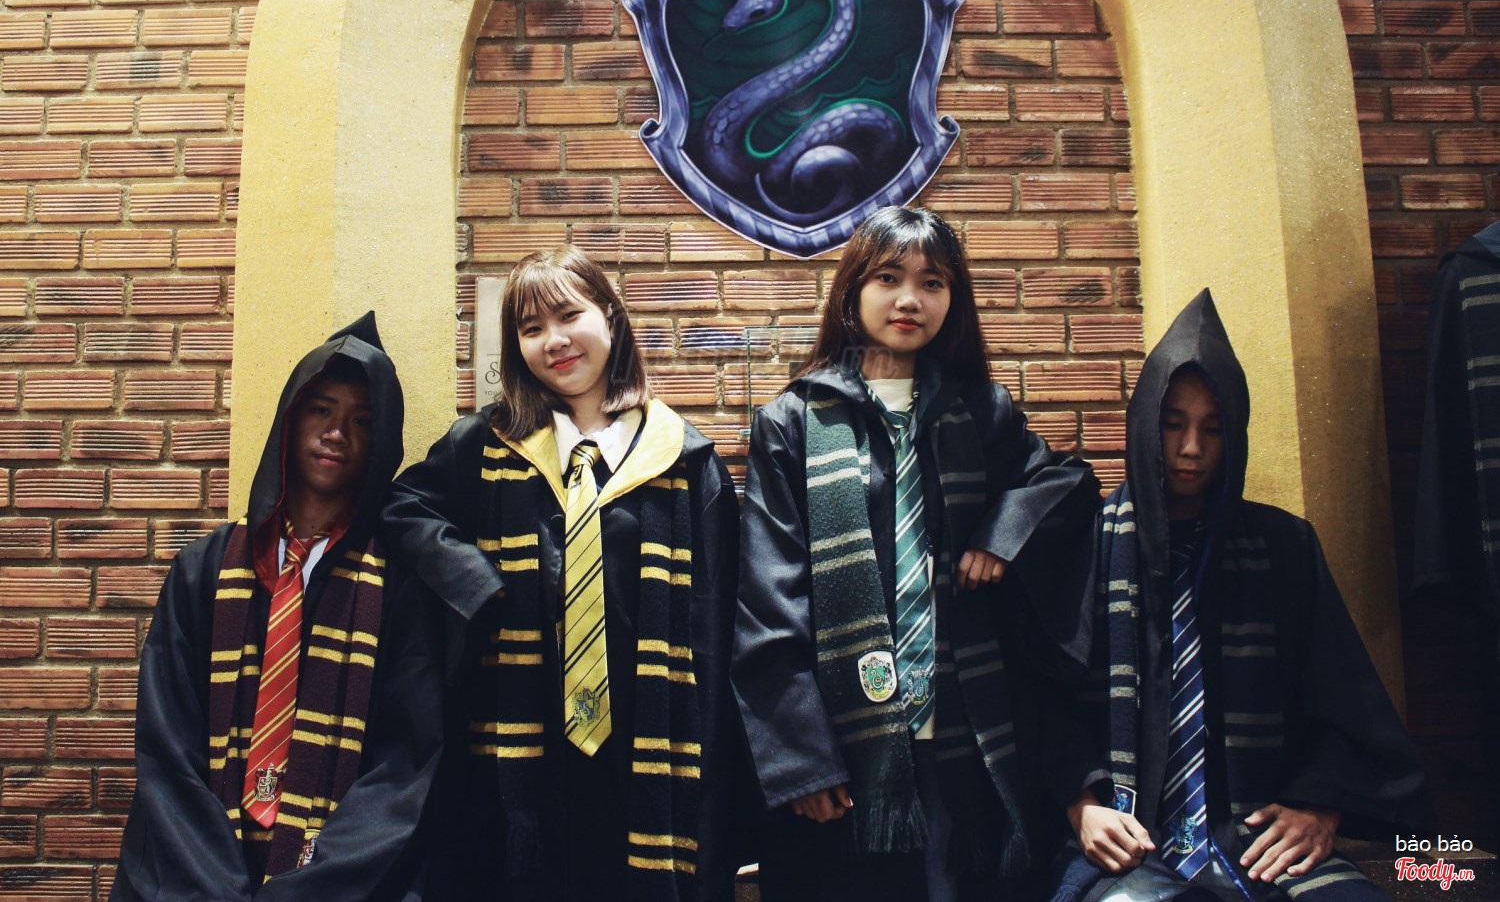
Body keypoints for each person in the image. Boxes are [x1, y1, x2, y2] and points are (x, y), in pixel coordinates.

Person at [733, 205, 1100, 901]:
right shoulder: (791, 422)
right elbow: (768, 597)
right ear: (852, 291)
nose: (910, 299)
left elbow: (1067, 483)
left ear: (953, 301)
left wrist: (1001, 531)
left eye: (932, 283)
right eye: (888, 278)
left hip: (967, 728)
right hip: (844, 745)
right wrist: (802, 760)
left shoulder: (980, 411)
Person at [381, 245, 745, 901]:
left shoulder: (684, 462)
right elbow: (401, 510)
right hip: (521, 753)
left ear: (610, 316)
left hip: (646, 748)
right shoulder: (484, 447)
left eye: (569, 315)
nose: (553, 340)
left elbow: (718, 632)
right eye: (531, 328)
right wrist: (475, 580)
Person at [1050, 290, 1431, 902]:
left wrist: (1321, 807)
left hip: (1252, 837)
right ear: (1144, 423)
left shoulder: (1284, 548)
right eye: (1173, 423)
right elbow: (1045, 703)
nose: (1191, 448)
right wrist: (1082, 805)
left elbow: (1345, 702)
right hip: (1125, 838)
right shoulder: (1086, 546)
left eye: (1213, 428)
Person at [112, 313, 444, 901]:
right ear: (289, 420)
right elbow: (168, 745)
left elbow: (405, 760)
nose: (336, 432)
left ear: (381, 444)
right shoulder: (203, 570)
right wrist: (217, 886)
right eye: (320, 410)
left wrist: (309, 889)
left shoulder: (400, 586)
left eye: (361, 420)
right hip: (197, 868)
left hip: (339, 878)